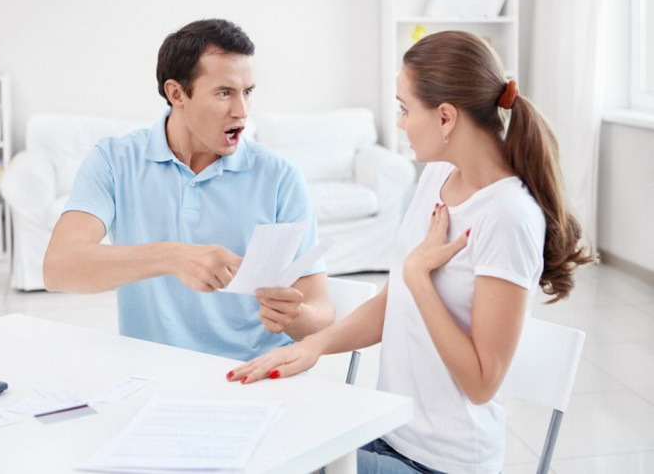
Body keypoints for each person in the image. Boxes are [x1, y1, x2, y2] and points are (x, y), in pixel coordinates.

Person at [227, 30, 594, 473]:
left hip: (443, 462)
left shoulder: (508, 216)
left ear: (445, 117)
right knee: (262, 448)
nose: (399, 122)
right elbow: (393, 302)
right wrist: (313, 347)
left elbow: (481, 383)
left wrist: (419, 278)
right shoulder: (437, 176)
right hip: (388, 430)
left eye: (404, 108)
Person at [43, 19, 334, 361]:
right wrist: (174, 257)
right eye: (224, 93)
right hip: (157, 372)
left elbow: (321, 312)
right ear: (176, 93)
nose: (241, 111)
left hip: (255, 371)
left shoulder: (280, 176)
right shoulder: (114, 160)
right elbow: (58, 267)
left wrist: (295, 317)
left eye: (247, 92)